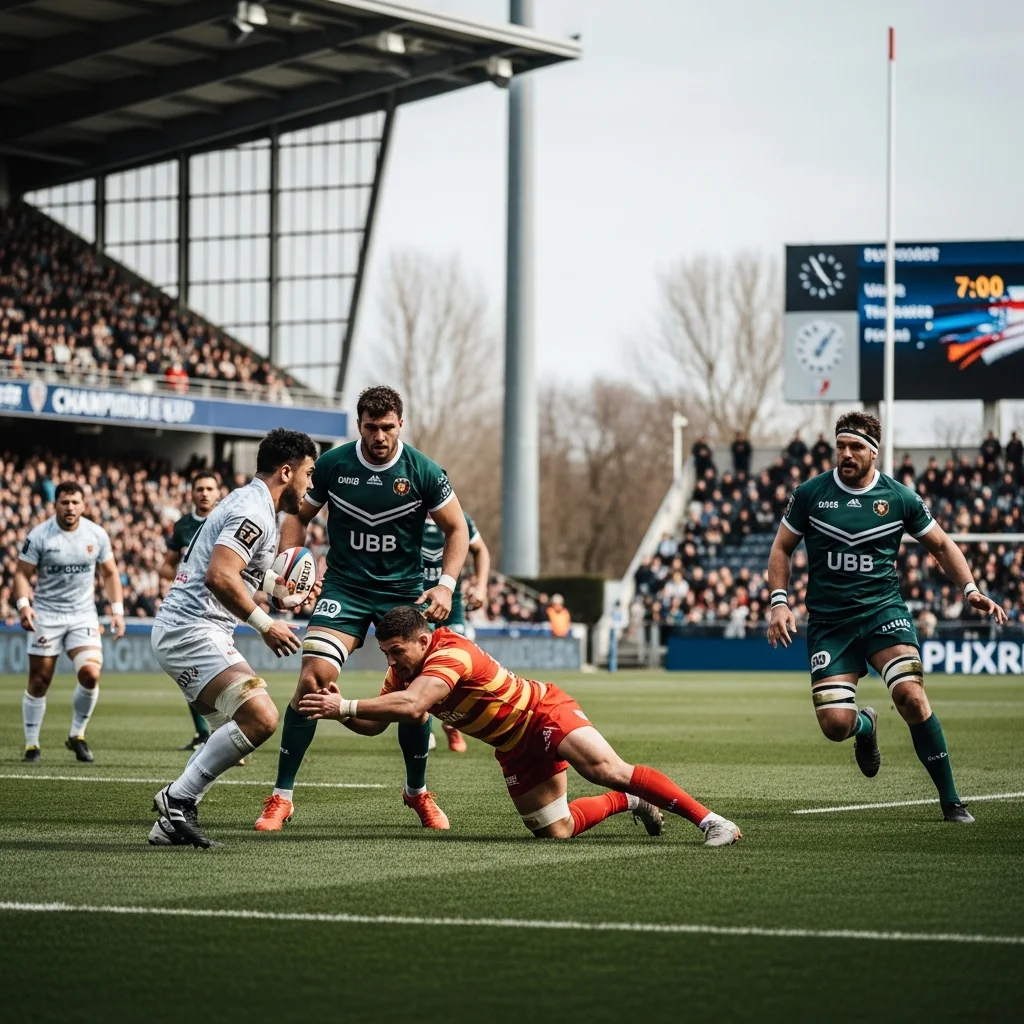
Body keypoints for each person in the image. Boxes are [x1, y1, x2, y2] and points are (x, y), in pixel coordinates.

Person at [299, 605, 742, 846]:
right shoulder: (404, 673)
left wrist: (346, 707)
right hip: (513, 746)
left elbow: (416, 704)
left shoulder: (450, 653)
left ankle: (713, 822)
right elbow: (380, 721)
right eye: (387, 654)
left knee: (605, 768)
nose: (392, 662)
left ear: (423, 639)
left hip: (542, 713)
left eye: (397, 652)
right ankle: (629, 803)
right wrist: (335, 708)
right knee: (557, 830)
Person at [766, 411, 1007, 823]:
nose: (846, 453)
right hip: (830, 622)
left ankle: (951, 801)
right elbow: (781, 548)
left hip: (883, 612)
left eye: (856, 446)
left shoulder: (900, 498)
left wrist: (970, 589)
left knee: (911, 696)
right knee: (835, 724)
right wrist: (778, 600)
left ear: (873, 453)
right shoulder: (810, 494)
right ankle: (866, 726)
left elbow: (943, 546)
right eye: (840, 445)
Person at [254, 386, 470, 833]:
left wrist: (446, 586)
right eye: (371, 427)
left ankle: (417, 793)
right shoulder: (334, 465)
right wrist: (291, 568)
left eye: (388, 427)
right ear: (359, 425)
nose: (380, 436)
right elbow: (297, 515)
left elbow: (457, 531)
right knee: (313, 677)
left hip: (403, 594)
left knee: (415, 696)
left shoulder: (423, 471)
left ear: (400, 425)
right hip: (345, 590)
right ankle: (281, 797)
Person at [149, 428, 318, 848]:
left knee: (234, 736)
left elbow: (241, 569)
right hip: (192, 629)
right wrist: (266, 624)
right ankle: (176, 800)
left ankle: (169, 824)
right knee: (261, 717)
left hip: (192, 628)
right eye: (309, 473)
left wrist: (280, 587)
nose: (311, 484)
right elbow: (220, 574)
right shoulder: (253, 511)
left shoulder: (255, 504)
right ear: (286, 471)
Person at [13, 481, 126, 763]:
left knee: (90, 674)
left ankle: (77, 734)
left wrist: (117, 610)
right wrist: (24, 605)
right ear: (56, 505)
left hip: (82, 615)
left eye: (75, 502)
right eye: (65, 502)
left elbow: (110, 574)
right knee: (39, 681)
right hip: (47, 615)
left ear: (84, 505)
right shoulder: (40, 536)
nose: (70, 508)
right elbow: (21, 574)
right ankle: (32, 745)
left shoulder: (96, 535)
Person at [159, 471, 221, 751]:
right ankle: (204, 734)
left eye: (209, 488)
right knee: (190, 673)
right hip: (187, 607)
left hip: (218, 606)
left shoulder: (224, 521)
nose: (205, 493)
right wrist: (182, 578)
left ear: (218, 493)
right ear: (192, 493)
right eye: (200, 489)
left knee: (214, 670)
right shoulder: (182, 526)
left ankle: (221, 730)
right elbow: (166, 565)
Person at [421, 509, 491, 753]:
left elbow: (481, 549)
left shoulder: (459, 518)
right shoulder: (405, 512)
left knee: (459, 665)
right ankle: (423, 725)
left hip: (453, 602)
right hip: (418, 599)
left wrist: (481, 587)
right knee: (421, 663)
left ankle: (453, 723)